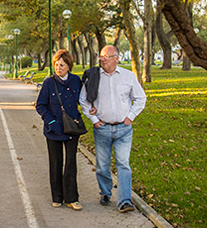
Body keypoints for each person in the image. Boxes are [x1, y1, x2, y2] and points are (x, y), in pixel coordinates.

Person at [79, 45, 147, 213]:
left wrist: (130, 117)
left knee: (123, 164)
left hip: (123, 129)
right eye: (101, 56)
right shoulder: (93, 76)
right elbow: (84, 100)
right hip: (102, 128)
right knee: (102, 165)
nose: (103, 59)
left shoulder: (128, 76)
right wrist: (94, 119)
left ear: (116, 58)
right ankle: (105, 192)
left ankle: (124, 201)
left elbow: (140, 98)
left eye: (107, 56)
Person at [35, 49, 84, 210]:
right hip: (53, 129)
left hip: (71, 129)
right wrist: (51, 121)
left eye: (62, 65)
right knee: (55, 163)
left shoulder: (76, 81)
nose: (58, 67)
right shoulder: (49, 83)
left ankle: (72, 197)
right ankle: (57, 197)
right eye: (56, 64)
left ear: (69, 66)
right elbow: (40, 105)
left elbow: (83, 101)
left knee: (71, 163)